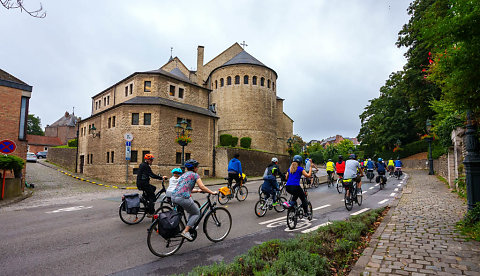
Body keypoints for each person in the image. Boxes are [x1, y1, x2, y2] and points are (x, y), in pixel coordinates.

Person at [171, 159, 217, 241]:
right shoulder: (195, 175)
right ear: (195, 168)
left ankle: (190, 225)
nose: (197, 168)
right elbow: (202, 186)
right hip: (182, 198)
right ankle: (186, 231)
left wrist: (197, 190)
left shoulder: (183, 175)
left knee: (191, 207)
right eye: (197, 167)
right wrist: (212, 192)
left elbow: (184, 188)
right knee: (196, 213)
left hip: (174, 196)